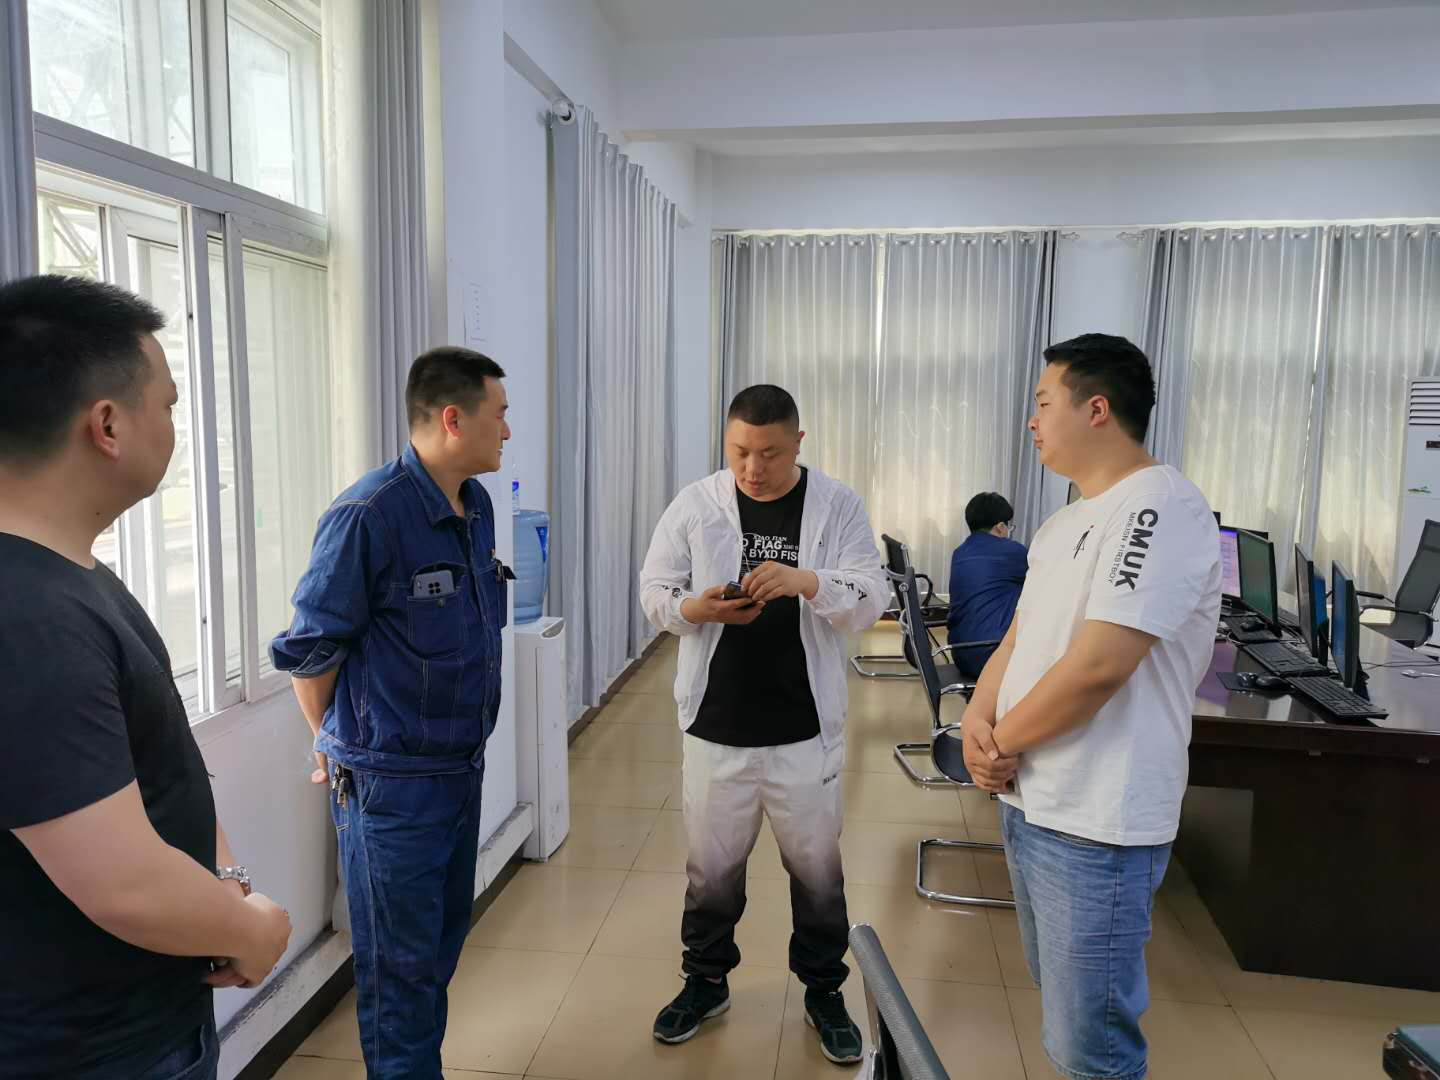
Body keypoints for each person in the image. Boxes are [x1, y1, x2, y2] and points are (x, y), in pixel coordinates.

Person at [0, 275, 293, 1079]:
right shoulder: (29, 616)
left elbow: (162, 765)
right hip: (93, 1052)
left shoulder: (75, 576)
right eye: (167, 404)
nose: (174, 425)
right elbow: (122, 883)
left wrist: (225, 889)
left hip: (146, 1019)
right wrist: (252, 929)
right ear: (106, 425)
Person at [962, 333, 1221, 1080]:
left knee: (1092, 1048)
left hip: (1098, 819)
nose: (1033, 420)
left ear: (1097, 409)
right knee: (1065, 1015)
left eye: (1044, 403)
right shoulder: (1064, 521)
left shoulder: (1158, 505)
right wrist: (977, 719)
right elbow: (1017, 641)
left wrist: (1001, 741)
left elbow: (1099, 666)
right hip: (1033, 800)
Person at [271, 347, 511, 1079]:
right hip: (391, 786)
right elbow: (311, 652)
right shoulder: (367, 515)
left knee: (437, 951)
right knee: (399, 973)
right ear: (453, 419)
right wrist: (328, 740)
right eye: (500, 415)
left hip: (459, 770)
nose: (507, 431)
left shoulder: (475, 505)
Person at [639, 384, 888, 1065]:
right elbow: (654, 591)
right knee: (710, 871)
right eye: (740, 451)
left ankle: (824, 990)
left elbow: (872, 597)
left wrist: (809, 582)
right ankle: (705, 981)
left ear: (798, 444)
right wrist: (696, 610)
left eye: (770, 453)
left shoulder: (837, 505)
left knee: (817, 872)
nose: (753, 468)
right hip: (715, 724)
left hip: (803, 729)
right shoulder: (697, 503)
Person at [946, 492, 1028, 679]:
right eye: (1009, 526)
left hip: (961, 653)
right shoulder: (1012, 551)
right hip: (992, 656)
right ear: (1000, 527)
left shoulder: (959, 553)